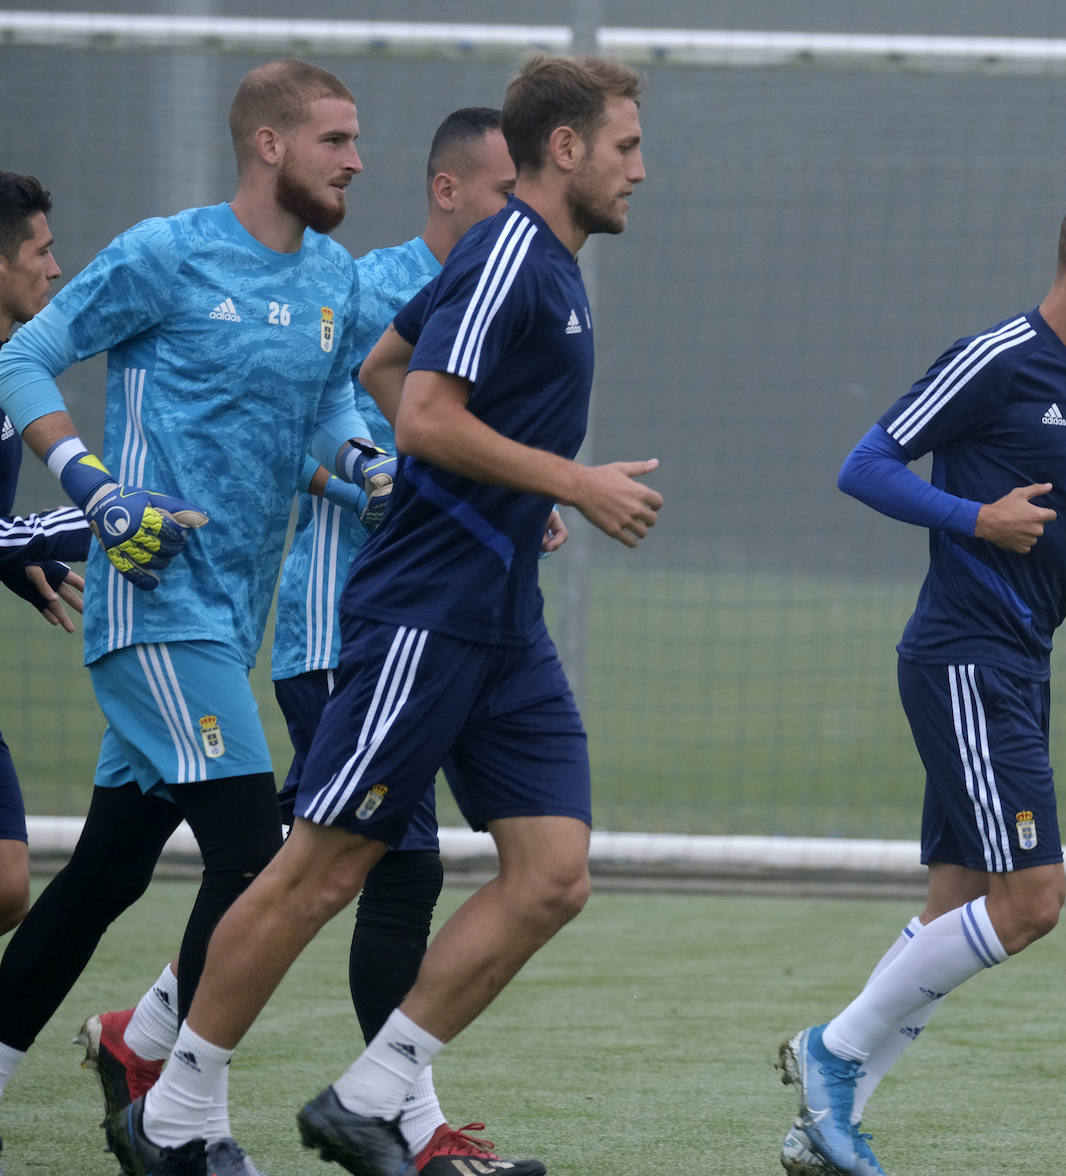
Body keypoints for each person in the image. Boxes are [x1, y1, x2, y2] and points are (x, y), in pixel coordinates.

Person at [110, 52, 660, 1176]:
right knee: (323, 867)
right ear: (565, 149)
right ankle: (172, 1115)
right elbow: (420, 415)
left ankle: (371, 1093)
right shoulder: (513, 254)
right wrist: (568, 479)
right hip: (425, 618)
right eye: (627, 147)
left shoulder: (536, 262)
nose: (639, 171)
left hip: (504, 623)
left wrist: (504, 490)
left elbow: (385, 357)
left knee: (552, 873)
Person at [0, 60, 396, 1176]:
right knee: (255, 852)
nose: (355, 161)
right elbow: (23, 356)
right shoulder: (165, 253)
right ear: (269, 146)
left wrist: (366, 466)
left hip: (229, 616)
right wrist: (93, 487)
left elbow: (323, 405)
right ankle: (178, 1111)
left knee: (106, 875)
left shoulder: (329, 275)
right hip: (154, 606)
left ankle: (104, 1061)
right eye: (335, 141)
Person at [777, 182, 1066, 1176]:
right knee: (1031, 901)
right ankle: (829, 1055)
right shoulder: (996, 357)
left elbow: (1055, 521)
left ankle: (823, 1130)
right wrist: (970, 519)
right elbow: (864, 463)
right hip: (965, 656)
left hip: (1017, 663)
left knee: (952, 908)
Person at [0, 170, 91, 1176]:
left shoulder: (9, 366)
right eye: (40, 251)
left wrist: (22, 565)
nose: (57, 266)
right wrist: (88, 516)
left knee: (7, 886)